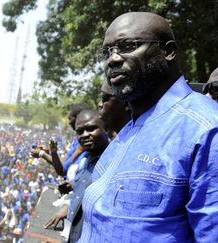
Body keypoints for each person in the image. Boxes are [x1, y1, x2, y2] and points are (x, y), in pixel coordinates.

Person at [79, 12, 218, 242]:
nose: (112, 59)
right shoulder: (128, 130)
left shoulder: (206, 131)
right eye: (107, 51)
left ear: (168, 51)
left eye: (128, 45)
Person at [44, 110, 109, 242]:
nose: (85, 135)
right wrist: (74, 187)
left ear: (106, 128)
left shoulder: (113, 162)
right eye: (80, 132)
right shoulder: (85, 159)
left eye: (91, 129)